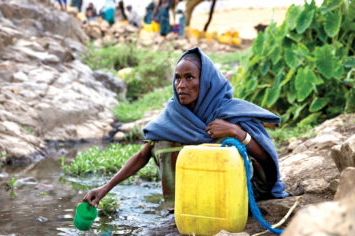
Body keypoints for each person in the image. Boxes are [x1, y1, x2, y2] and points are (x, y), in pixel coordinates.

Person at [83, 47, 288, 208]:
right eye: (178, 78)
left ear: (205, 81)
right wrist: (105, 188)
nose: (181, 85)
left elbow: (267, 161)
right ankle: (182, 204)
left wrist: (237, 133)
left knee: (232, 148)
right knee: (162, 142)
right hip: (196, 198)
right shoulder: (174, 113)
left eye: (189, 77)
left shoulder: (229, 111)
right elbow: (143, 155)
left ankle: (230, 202)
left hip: (241, 194)